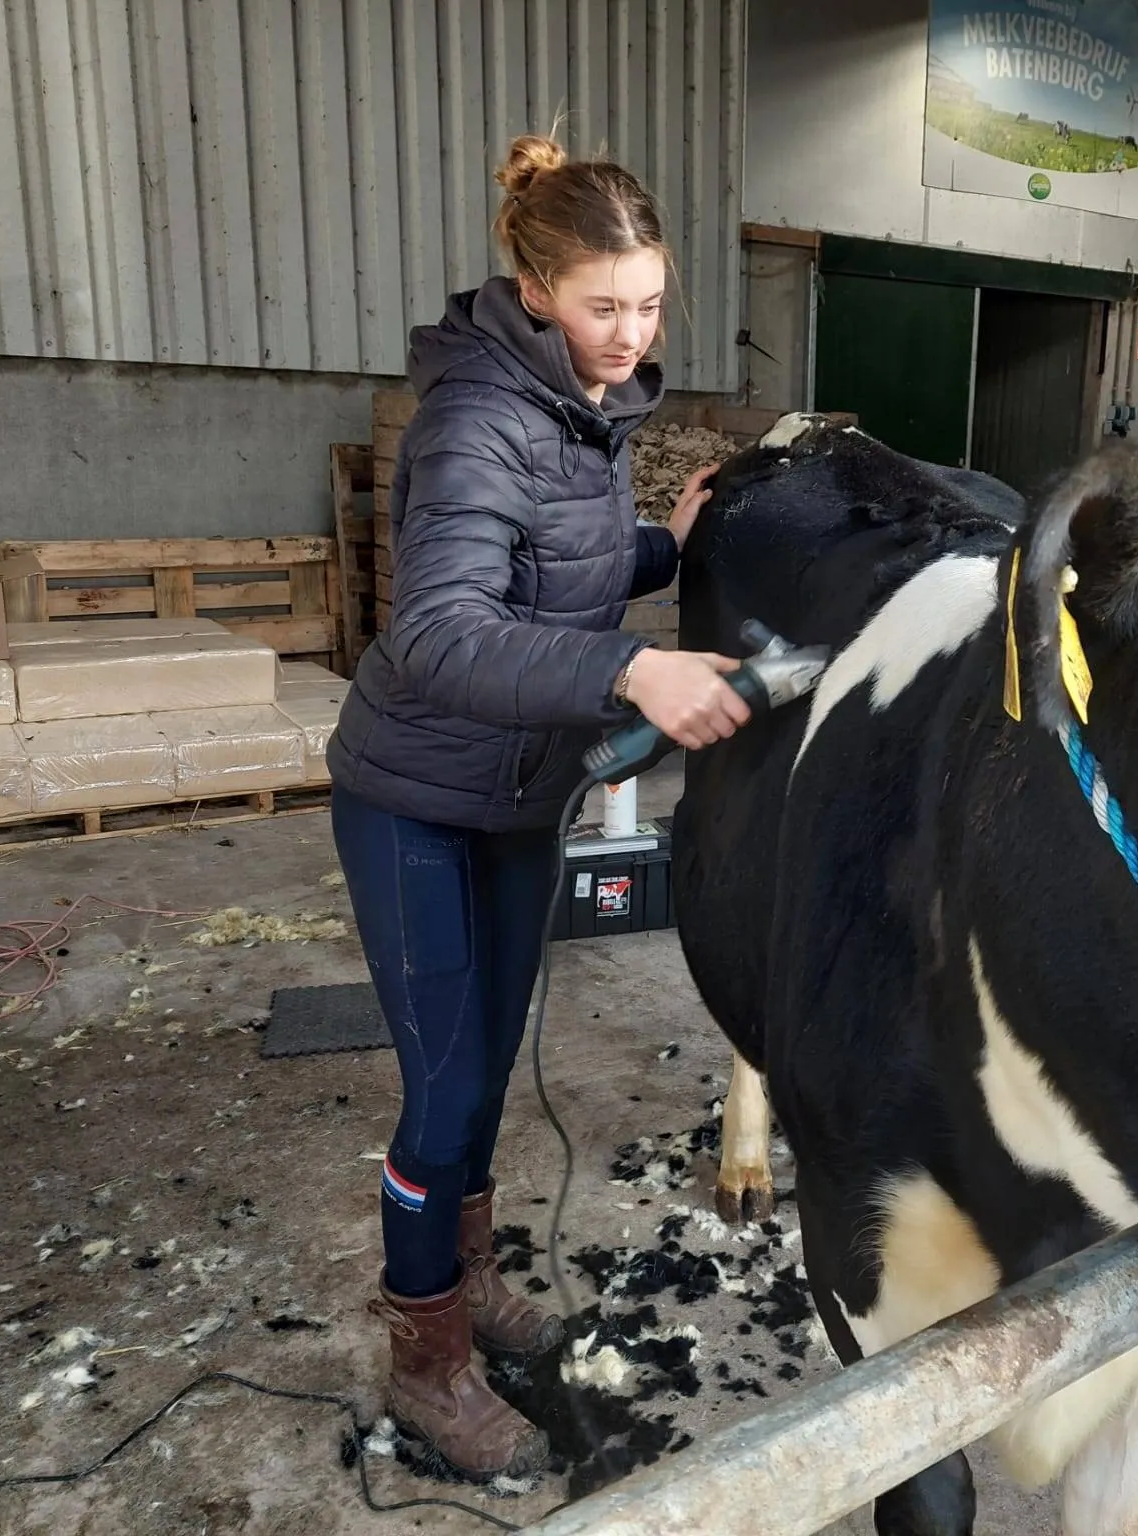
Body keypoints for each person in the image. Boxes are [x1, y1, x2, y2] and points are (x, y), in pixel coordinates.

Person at [326, 133, 748, 1480]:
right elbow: (441, 633)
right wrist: (635, 662)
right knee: (443, 1094)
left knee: (491, 1068)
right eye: (601, 305)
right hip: (415, 800)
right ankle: (427, 1361)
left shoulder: (577, 409)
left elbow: (550, 568)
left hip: (513, 798)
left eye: (650, 305)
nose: (630, 336)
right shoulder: (476, 419)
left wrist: (662, 544)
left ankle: (465, 1282)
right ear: (533, 289)